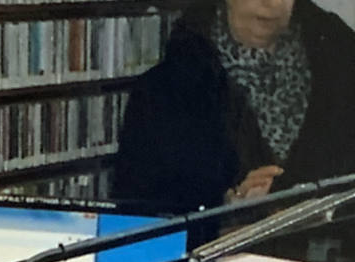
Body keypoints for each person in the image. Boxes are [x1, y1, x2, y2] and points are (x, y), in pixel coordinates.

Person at [113, 0, 355, 213]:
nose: (271, 3)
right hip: (214, 250)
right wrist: (225, 212)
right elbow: (137, 210)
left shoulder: (340, 69)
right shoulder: (164, 90)